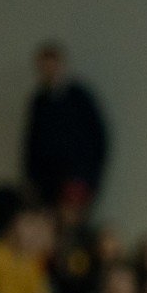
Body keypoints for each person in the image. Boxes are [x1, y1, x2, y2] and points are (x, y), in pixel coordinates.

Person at [22, 42, 108, 210]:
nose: (49, 72)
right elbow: (32, 141)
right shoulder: (39, 101)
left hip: (77, 177)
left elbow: (98, 137)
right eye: (45, 68)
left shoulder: (79, 97)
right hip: (47, 180)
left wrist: (88, 175)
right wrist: (31, 177)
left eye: (53, 67)